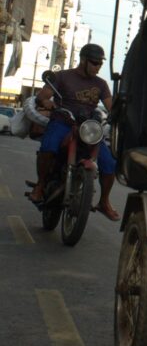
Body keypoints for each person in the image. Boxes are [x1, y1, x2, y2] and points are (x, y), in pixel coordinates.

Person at [28, 43, 120, 220]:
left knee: (109, 163)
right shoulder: (62, 76)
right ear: (83, 60)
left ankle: (104, 201)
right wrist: (46, 102)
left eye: (100, 63)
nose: (97, 67)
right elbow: (43, 95)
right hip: (63, 122)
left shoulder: (101, 84)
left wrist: (120, 111)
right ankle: (40, 186)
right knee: (48, 146)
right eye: (94, 63)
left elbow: (111, 107)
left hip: (87, 128)